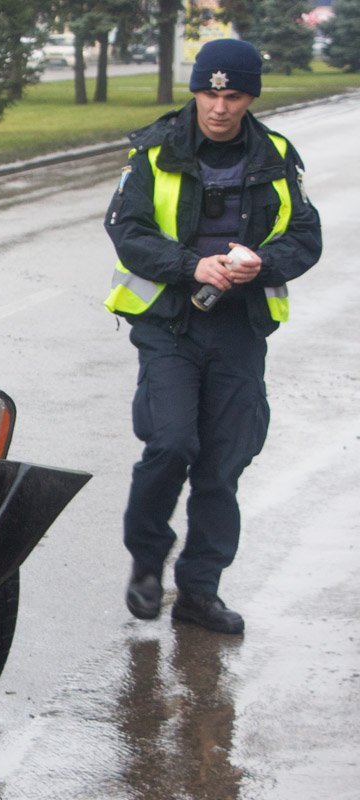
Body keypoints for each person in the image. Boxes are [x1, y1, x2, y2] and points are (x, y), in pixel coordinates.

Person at [103, 38, 321, 634]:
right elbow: (128, 231)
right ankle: (148, 565)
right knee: (172, 445)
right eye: (209, 92)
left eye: (232, 95)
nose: (219, 107)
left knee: (222, 465)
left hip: (239, 329)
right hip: (170, 323)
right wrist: (189, 266)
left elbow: (305, 237)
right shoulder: (154, 149)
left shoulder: (276, 154)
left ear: (250, 97)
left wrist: (263, 263)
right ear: (195, 90)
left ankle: (199, 592)